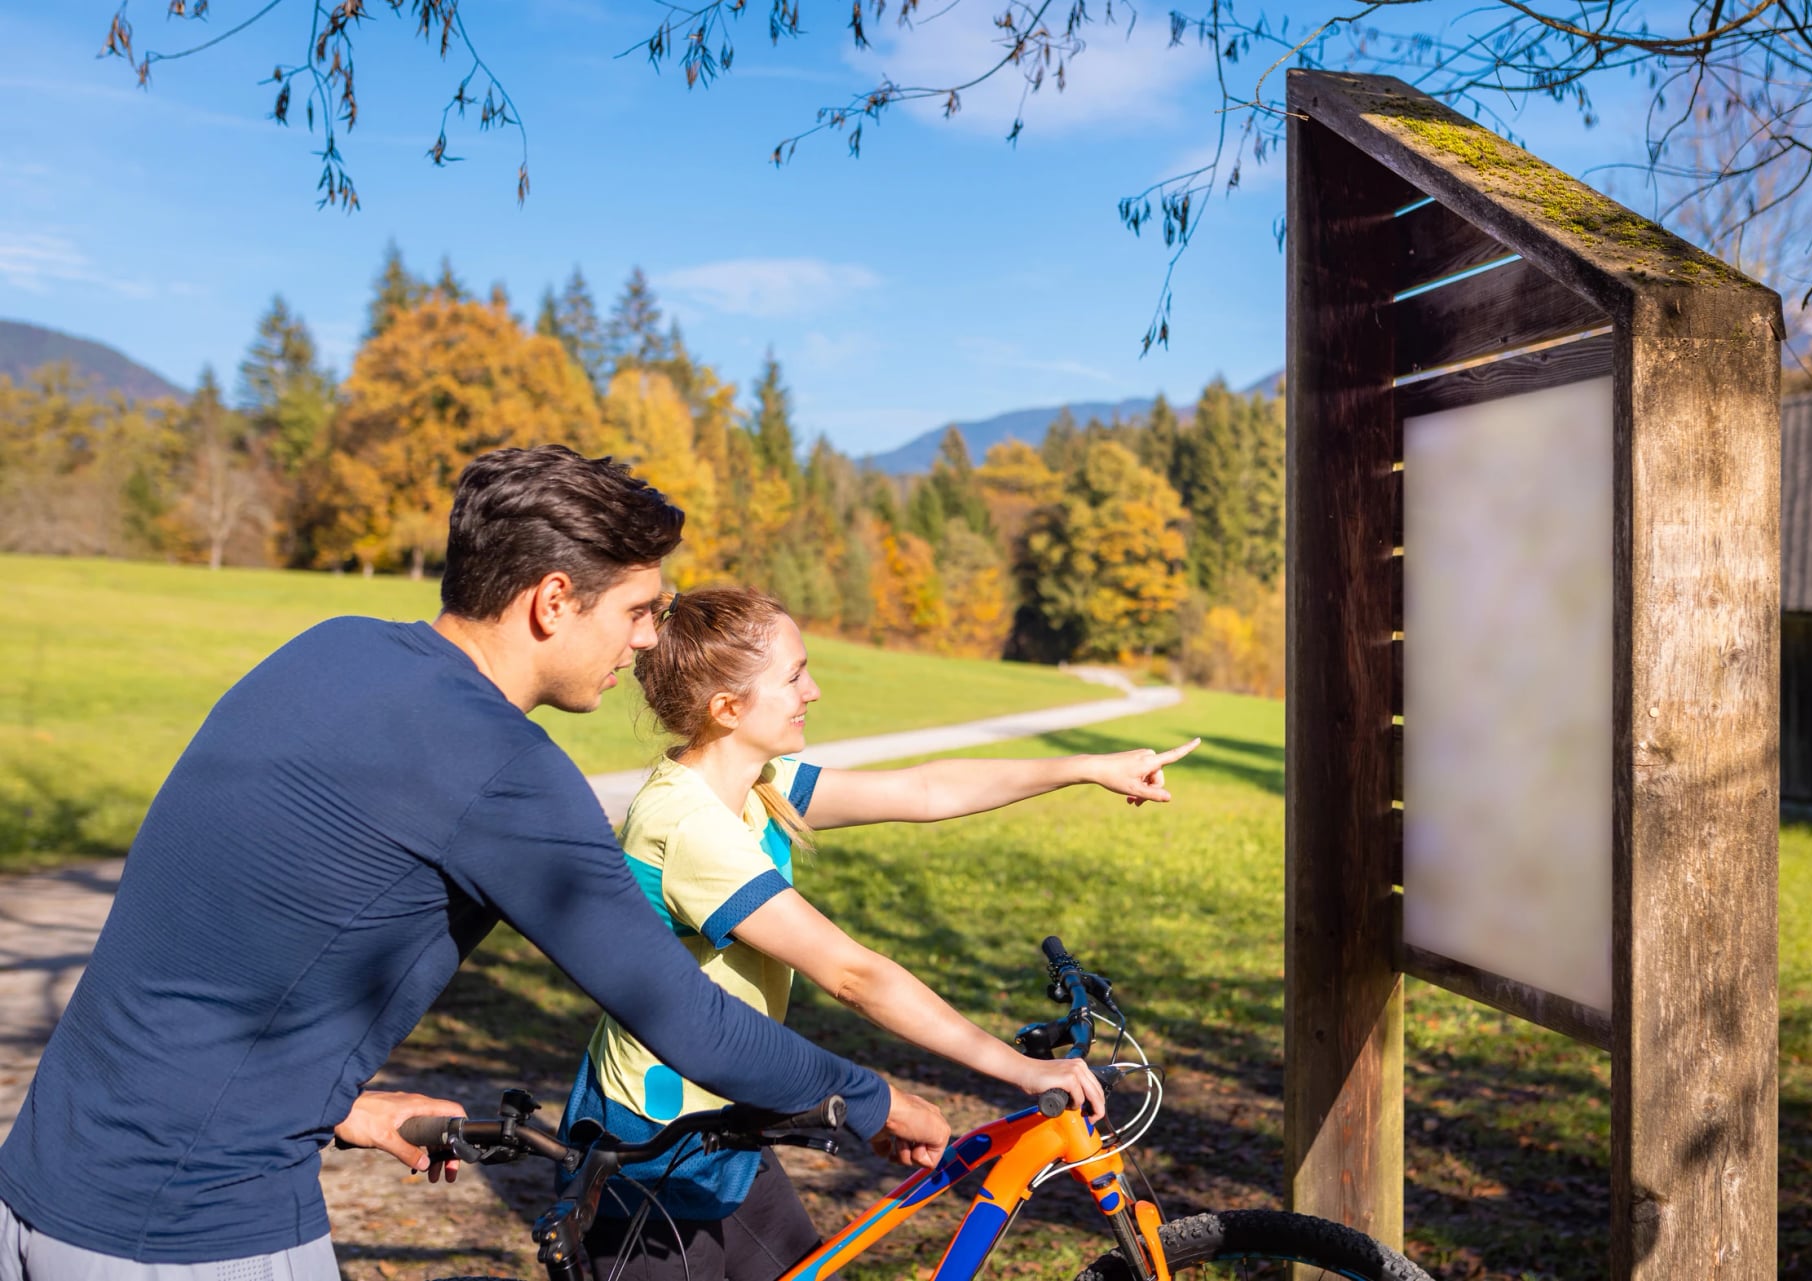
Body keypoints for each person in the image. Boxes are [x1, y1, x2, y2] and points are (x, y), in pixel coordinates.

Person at [0, 447, 947, 1281]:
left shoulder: (329, 650)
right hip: (186, 1231)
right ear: (552, 601)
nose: (652, 638)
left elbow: (223, 950)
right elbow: (685, 1018)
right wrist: (874, 1096)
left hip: (41, 1178)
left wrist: (344, 1107)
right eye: (639, 609)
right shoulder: (506, 772)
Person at [564, 585, 1200, 1281]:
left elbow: (925, 790)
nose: (813, 688)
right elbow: (851, 975)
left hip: (726, 1125)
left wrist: (1086, 768)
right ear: (728, 708)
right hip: (654, 1156)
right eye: (794, 674)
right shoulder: (688, 825)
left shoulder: (758, 783)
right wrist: (1017, 1068)